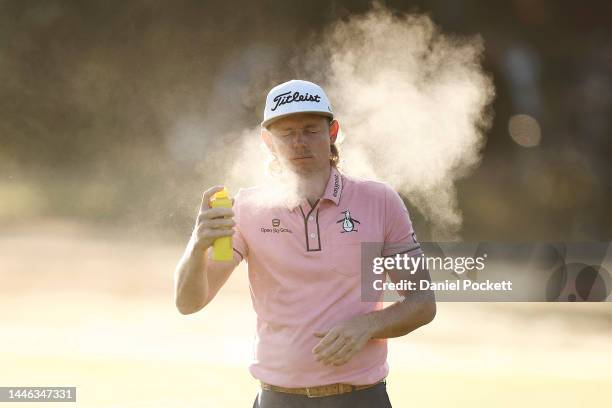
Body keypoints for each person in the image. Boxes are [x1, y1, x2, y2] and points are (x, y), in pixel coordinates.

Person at [174, 80, 436, 407]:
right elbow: (189, 303)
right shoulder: (246, 208)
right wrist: (198, 246)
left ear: (333, 132)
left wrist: (369, 325)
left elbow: (422, 302)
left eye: (311, 130)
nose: (299, 143)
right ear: (268, 142)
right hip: (278, 398)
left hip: (360, 398)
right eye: (286, 133)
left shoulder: (379, 201)